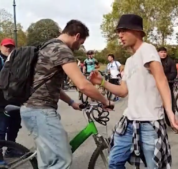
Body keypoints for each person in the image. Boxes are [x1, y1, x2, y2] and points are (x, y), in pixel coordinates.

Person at [89, 14, 178, 169]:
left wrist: (170, 112)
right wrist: (102, 82)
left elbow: (161, 80)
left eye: (124, 30)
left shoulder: (147, 49)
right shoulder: (130, 61)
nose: (120, 35)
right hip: (129, 122)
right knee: (114, 162)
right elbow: (123, 90)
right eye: (119, 31)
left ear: (138, 32)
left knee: (154, 166)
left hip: (149, 123)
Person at [20, 20, 111, 169]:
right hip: (41, 111)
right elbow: (82, 85)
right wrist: (105, 100)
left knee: (49, 161)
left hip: (33, 109)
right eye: (81, 43)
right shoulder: (62, 50)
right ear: (76, 36)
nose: (79, 46)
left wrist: (71, 102)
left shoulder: (48, 46)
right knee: (61, 160)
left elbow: (49, 84)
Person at [0, 38, 22, 166]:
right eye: (6, 46)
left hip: (14, 99)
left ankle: (11, 149)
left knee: (15, 125)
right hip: (1, 100)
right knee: (1, 129)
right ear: (1, 46)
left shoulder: (16, 61)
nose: (8, 49)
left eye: (11, 47)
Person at [158, 46, 177, 127]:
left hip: (168, 85)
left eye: (164, 52)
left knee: (169, 104)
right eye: (161, 52)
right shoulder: (155, 62)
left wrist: (165, 79)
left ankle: (171, 122)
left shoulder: (171, 61)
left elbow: (174, 73)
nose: (163, 54)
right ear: (158, 53)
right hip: (156, 86)